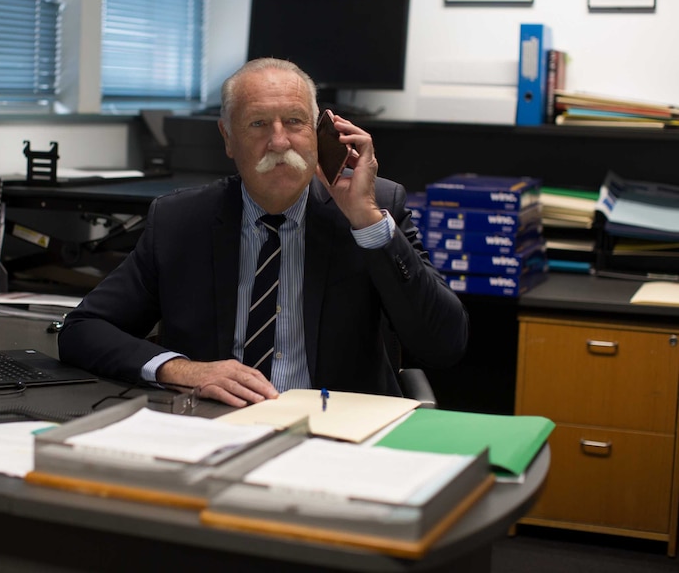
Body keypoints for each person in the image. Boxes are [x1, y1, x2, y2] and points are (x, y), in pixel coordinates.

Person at [59, 57, 468, 407]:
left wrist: (367, 221)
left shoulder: (373, 207)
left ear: (319, 131)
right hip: (217, 423)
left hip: (337, 431)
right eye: (257, 124)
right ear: (228, 138)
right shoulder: (181, 221)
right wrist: (181, 370)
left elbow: (444, 344)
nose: (278, 141)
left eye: (294, 121)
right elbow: (82, 330)